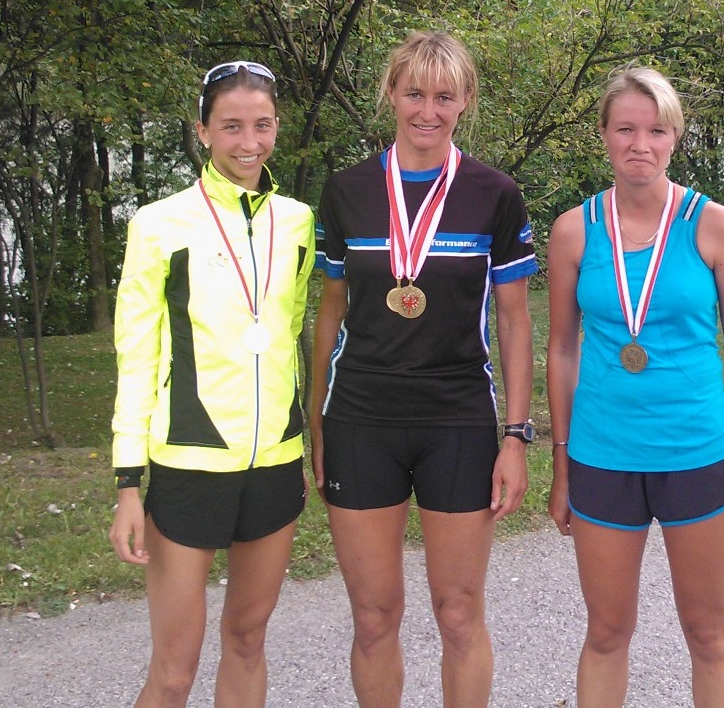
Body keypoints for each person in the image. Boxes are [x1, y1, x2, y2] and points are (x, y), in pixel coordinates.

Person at [310, 31, 538, 708]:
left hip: (457, 420)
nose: (428, 111)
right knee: (374, 617)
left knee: (459, 613)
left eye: (444, 96)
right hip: (360, 420)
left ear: (466, 100)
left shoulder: (495, 195)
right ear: (391, 94)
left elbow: (515, 322)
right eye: (414, 93)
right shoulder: (347, 191)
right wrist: (315, 423)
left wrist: (516, 437)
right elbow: (329, 312)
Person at [546, 63, 724, 707]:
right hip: (602, 457)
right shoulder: (574, 231)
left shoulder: (715, 225)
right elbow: (561, 350)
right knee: (605, 634)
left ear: (674, 136)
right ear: (603, 134)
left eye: (656, 130)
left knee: (708, 634)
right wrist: (561, 468)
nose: (640, 144)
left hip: (699, 455)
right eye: (625, 129)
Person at [108, 61, 315, 708]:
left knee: (248, 640)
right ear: (202, 131)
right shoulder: (157, 224)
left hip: (275, 463)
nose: (249, 142)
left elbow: (291, 334)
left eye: (262, 125)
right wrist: (127, 482)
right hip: (189, 464)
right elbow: (136, 358)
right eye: (231, 126)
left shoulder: (299, 222)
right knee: (175, 671)